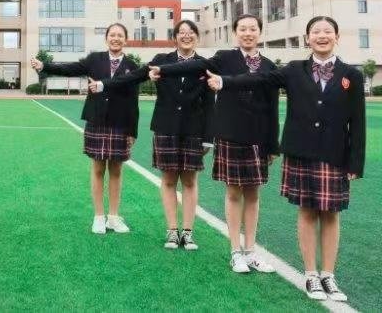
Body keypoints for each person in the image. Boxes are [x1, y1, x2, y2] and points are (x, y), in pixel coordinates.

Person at [205, 16, 364, 302]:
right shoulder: (293, 69)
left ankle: (329, 275)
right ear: (307, 39)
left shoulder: (351, 75)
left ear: (337, 37)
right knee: (306, 212)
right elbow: (258, 79)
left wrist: (355, 161)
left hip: (335, 154)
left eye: (328, 31)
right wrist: (225, 82)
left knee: (331, 215)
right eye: (316, 31)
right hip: (300, 150)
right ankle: (311, 274)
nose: (322, 36)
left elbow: (358, 121)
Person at [150, 14, 278, 273]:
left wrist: (273, 144)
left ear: (260, 32)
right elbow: (195, 66)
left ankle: (251, 252)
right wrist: (162, 70)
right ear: (235, 33)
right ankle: (235, 252)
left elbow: (273, 107)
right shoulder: (224, 58)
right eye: (243, 29)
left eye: (253, 29)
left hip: (258, 136)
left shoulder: (269, 66)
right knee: (233, 194)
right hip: (230, 133)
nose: (248, 33)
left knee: (253, 195)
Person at [94, 19, 210, 249]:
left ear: (197, 37)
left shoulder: (204, 65)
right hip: (165, 126)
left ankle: (188, 232)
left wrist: (208, 138)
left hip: (193, 130)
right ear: (175, 37)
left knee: (189, 181)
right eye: (181, 32)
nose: (186, 36)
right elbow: (134, 76)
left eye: (191, 32)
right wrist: (104, 84)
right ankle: (172, 231)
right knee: (168, 180)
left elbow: (210, 103)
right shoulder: (161, 60)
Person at [31, 23, 142, 235]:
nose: (116, 38)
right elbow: (69, 68)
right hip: (97, 120)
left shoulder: (132, 66)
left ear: (126, 40)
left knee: (116, 170)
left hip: (120, 123)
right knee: (98, 169)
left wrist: (132, 131)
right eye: (112, 35)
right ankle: (99, 217)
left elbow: (133, 101)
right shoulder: (94, 60)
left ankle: (113, 217)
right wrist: (44, 66)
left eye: (120, 35)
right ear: (106, 38)